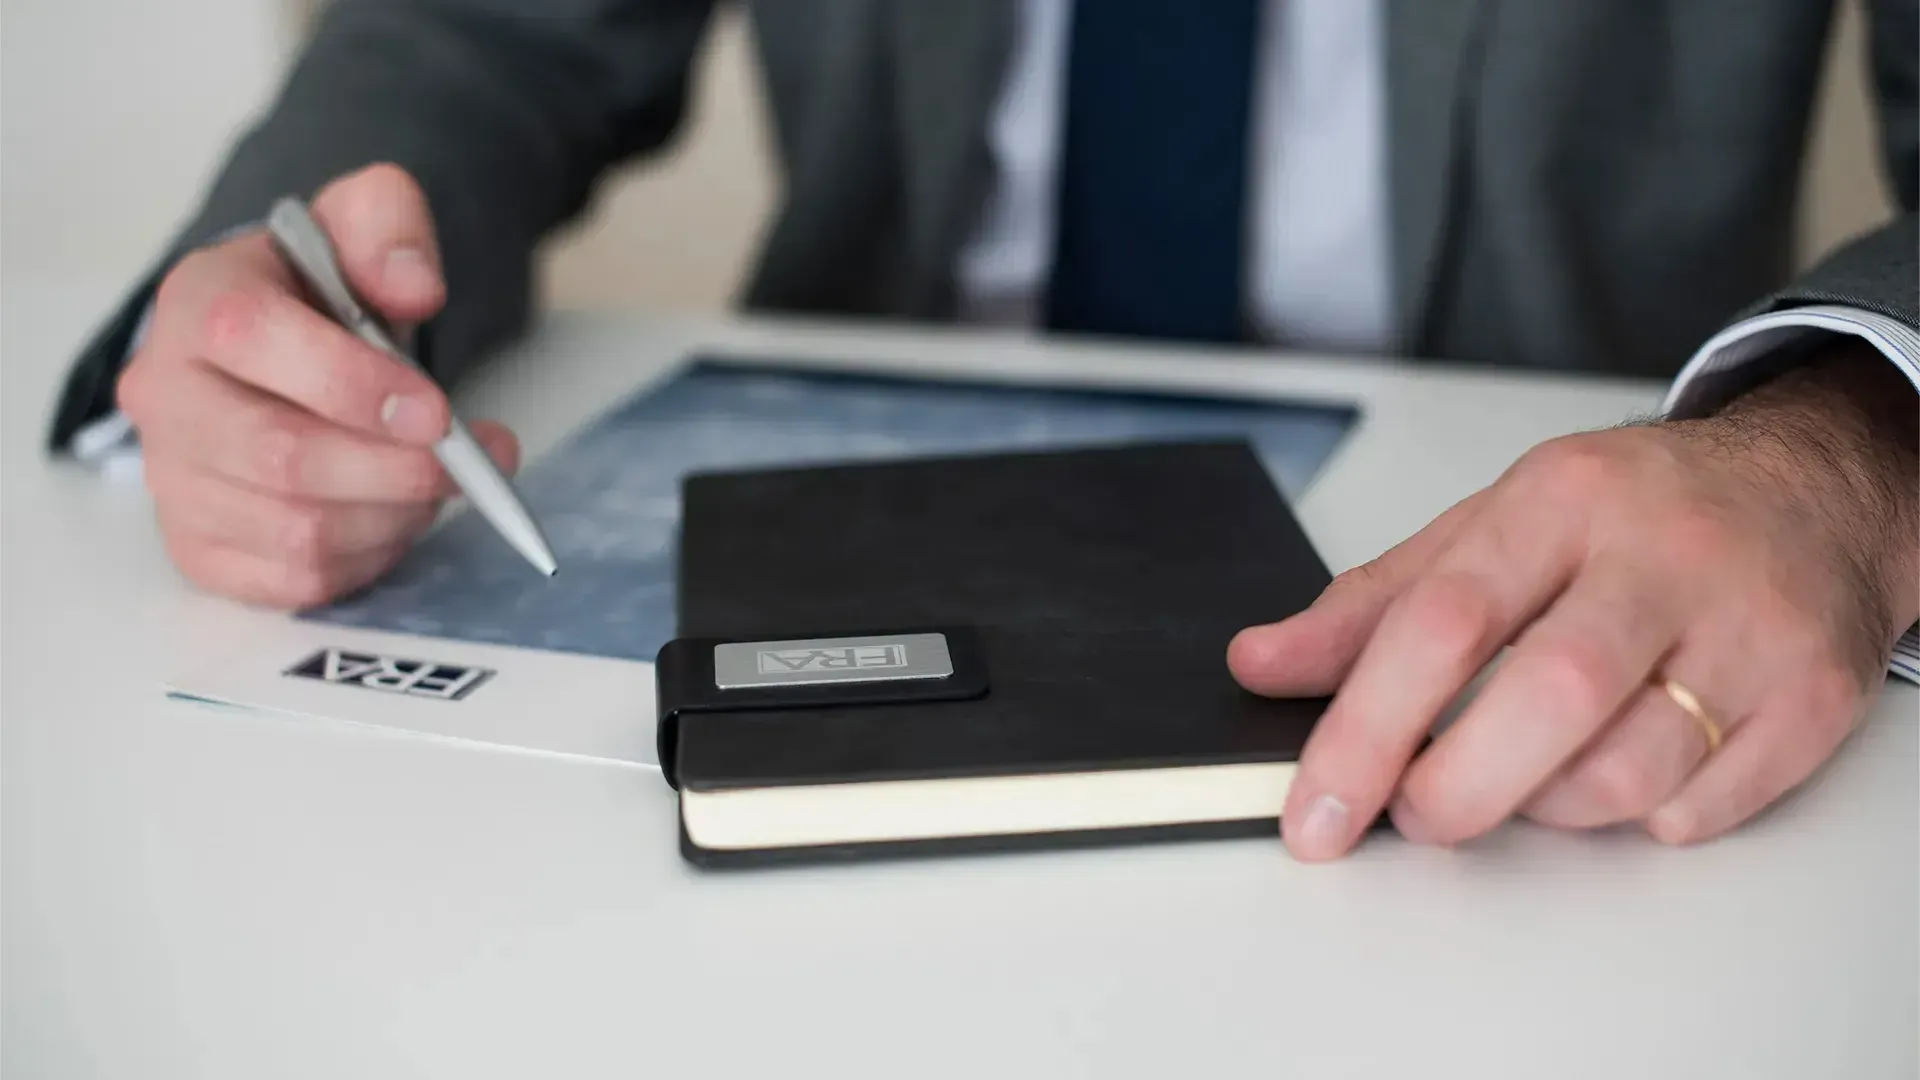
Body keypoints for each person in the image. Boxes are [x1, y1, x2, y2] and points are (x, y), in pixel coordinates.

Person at [42, 0, 1918, 862]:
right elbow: (484, 36)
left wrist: (1840, 461)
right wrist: (276, 296)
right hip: (848, 477)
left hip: (1564, 536)